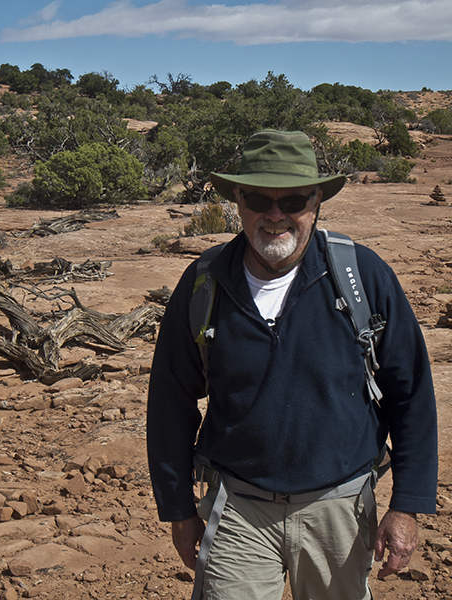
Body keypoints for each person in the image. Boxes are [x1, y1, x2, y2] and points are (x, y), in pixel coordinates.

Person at [146, 129, 438, 600]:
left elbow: (412, 394)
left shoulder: (362, 276)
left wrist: (407, 505)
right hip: (238, 505)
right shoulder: (205, 282)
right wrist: (179, 507)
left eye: (294, 200)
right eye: (259, 198)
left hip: (340, 508)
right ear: (238, 200)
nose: (275, 215)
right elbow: (170, 402)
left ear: (317, 200)